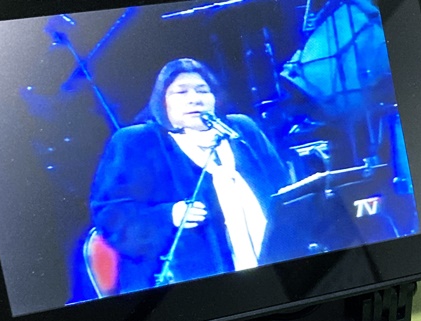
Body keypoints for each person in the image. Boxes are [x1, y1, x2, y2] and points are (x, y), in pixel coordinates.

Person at [89, 58, 290, 295]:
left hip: (274, 267)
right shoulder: (138, 142)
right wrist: (168, 216)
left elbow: (285, 191)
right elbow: (110, 214)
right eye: (181, 92)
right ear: (163, 102)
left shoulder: (242, 131)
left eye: (202, 90)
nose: (194, 99)